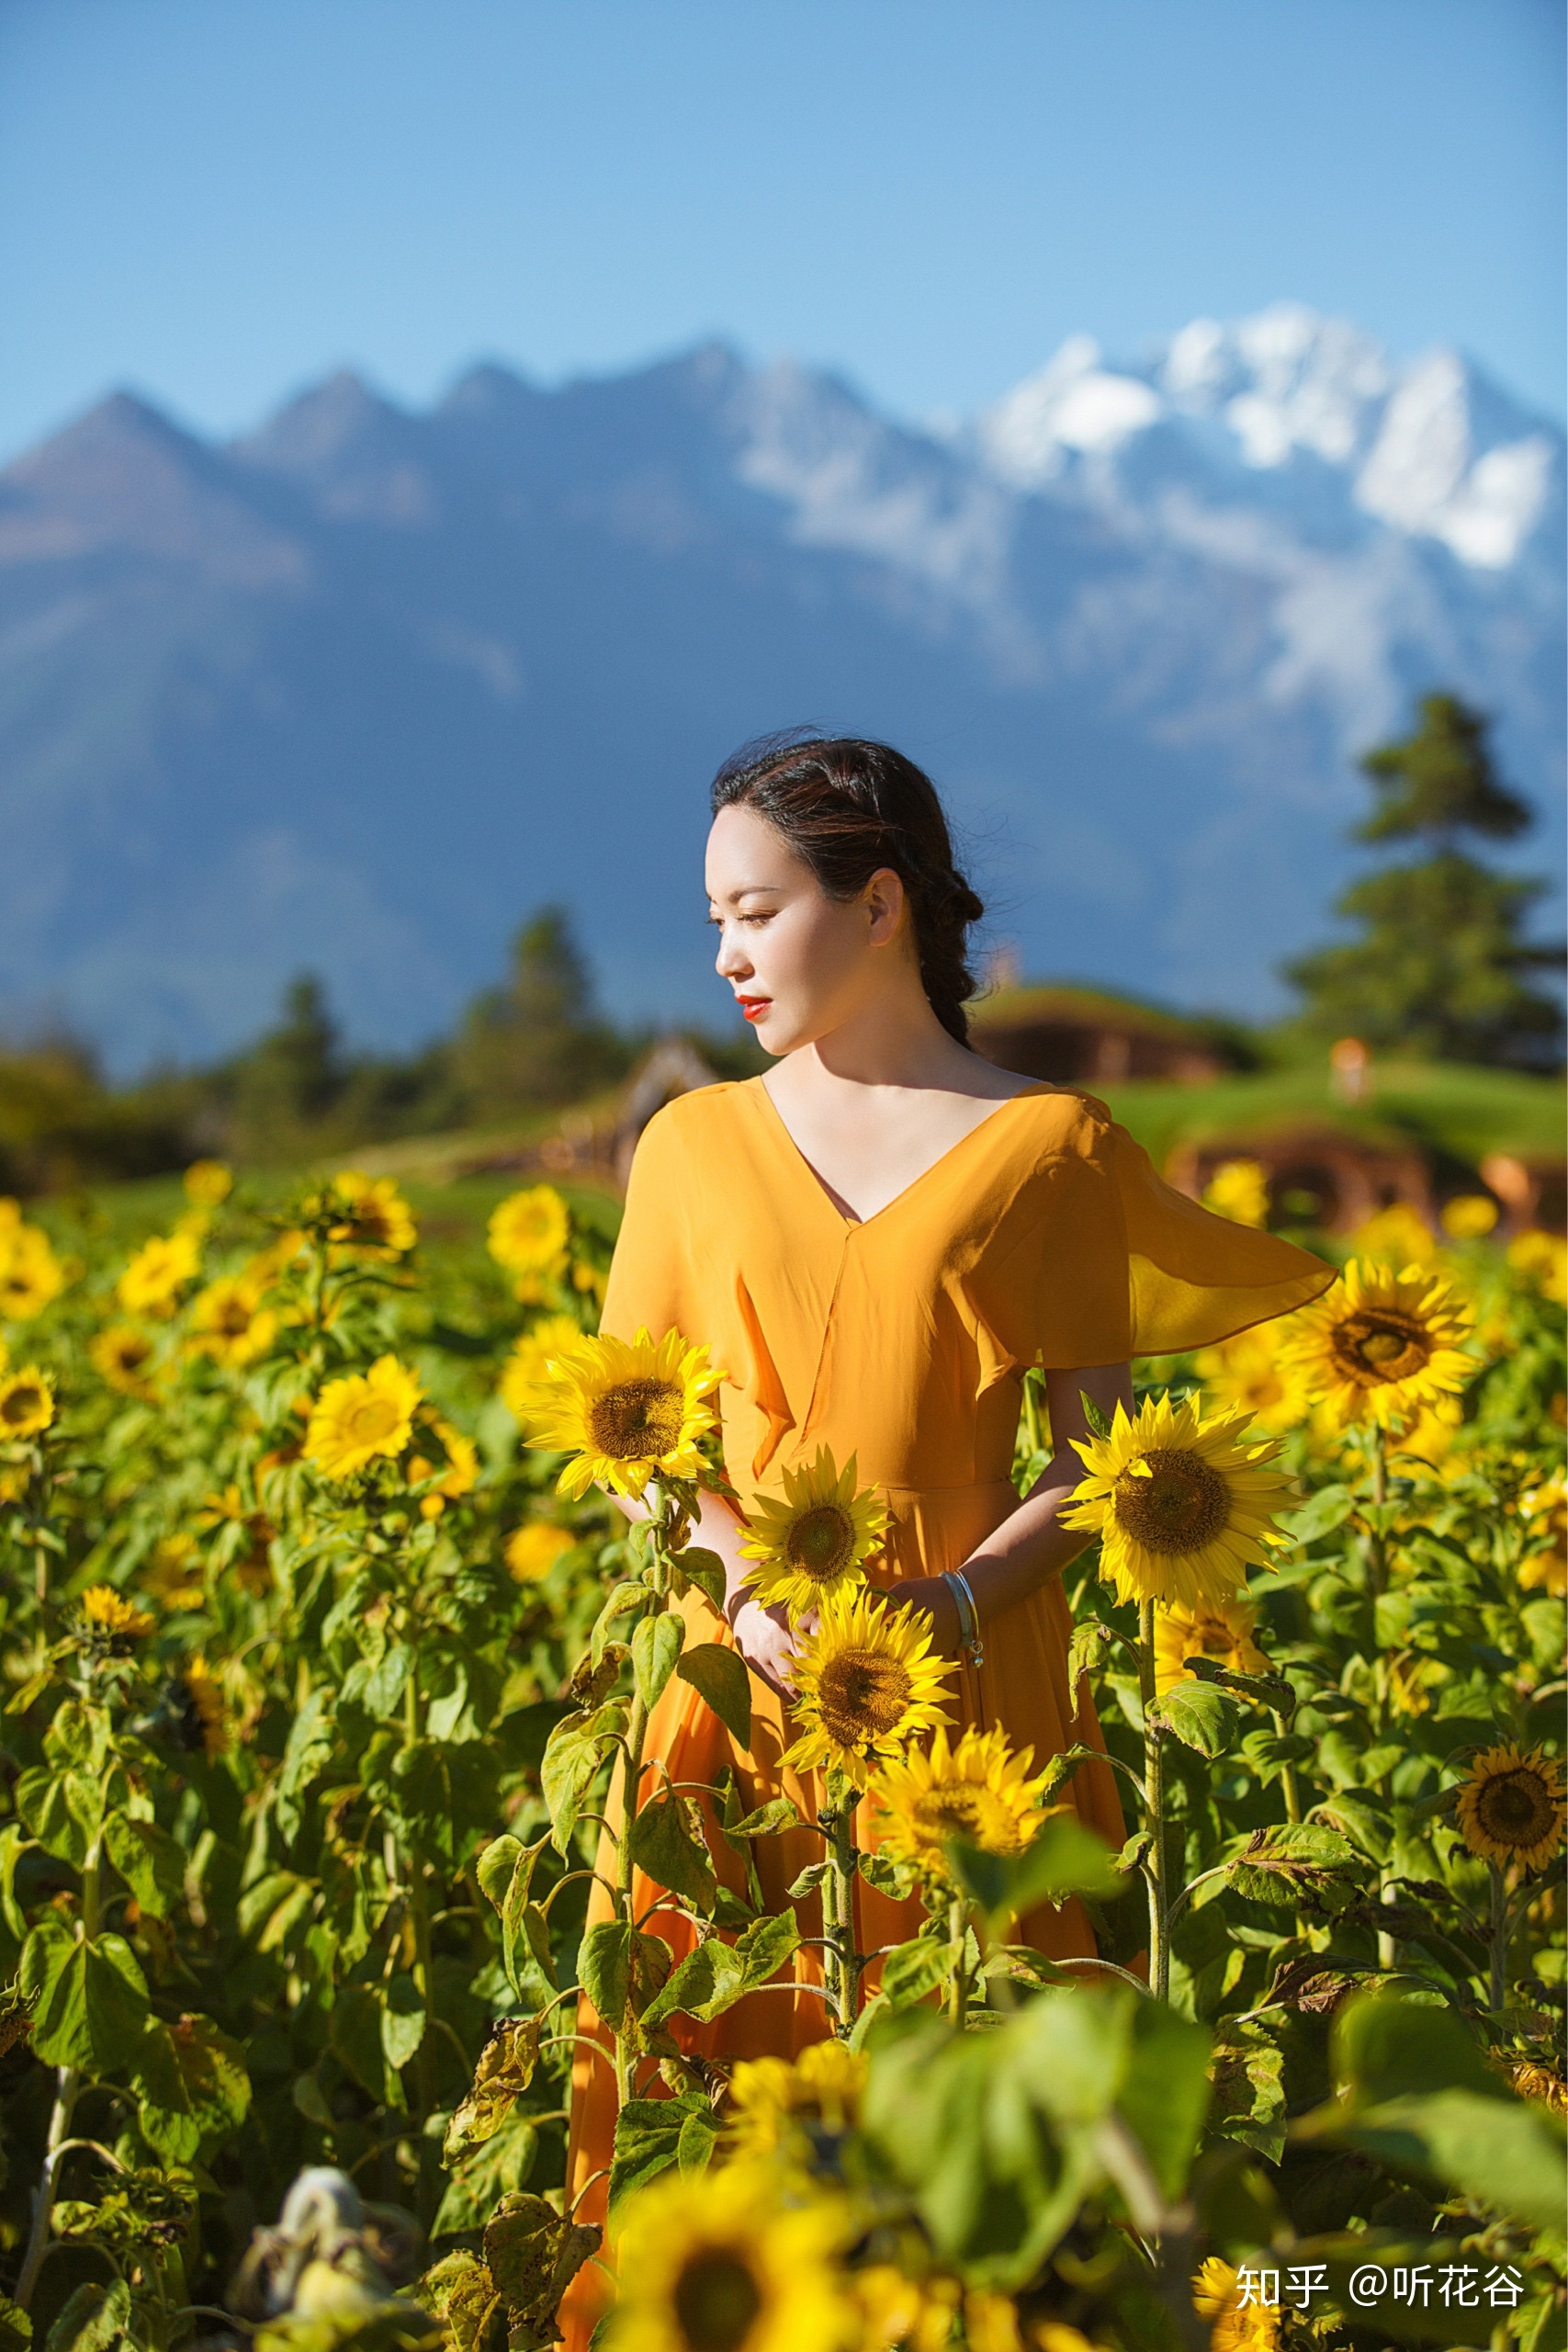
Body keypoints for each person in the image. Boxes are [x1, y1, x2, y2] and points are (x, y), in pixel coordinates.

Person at [558, 735, 1331, 2339]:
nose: (723, 956)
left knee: (978, 2160)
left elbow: (1092, 1460)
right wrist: (737, 1580)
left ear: (880, 903)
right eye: (712, 917)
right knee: (722, 2159)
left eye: (755, 912)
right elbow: (633, 1440)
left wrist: (961, 1606)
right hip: (737, 1688)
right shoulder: (689, 1146)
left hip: (970, 1716)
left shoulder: (1050, 1147)